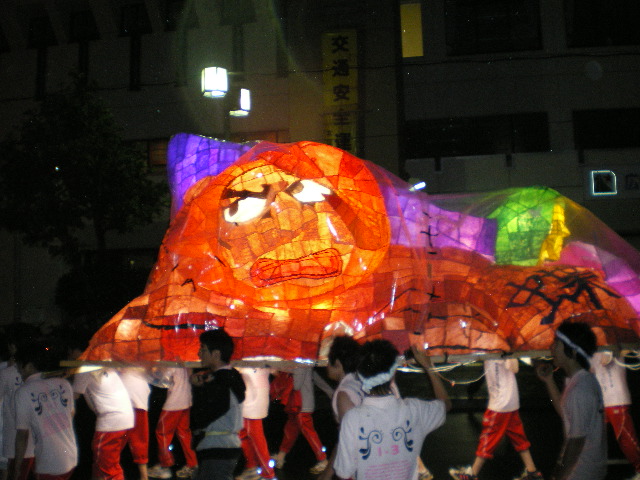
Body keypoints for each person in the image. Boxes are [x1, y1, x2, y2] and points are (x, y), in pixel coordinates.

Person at [333, 339, 451, 480]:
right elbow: (445, 404)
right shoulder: (414, 410)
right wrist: (428, 366)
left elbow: (344, 472)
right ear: (393, 372)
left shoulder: (352, 419)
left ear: (360, 374)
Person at [449, 357, 543, 480]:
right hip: (509, 402)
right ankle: (532, 472)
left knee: (488, 437)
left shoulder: (501, 349)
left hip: (501, 404)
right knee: (519, 438)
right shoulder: (494, 349)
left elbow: (514, 367)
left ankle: (472, 474)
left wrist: (509, 355)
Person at [536, 320, 606, 480]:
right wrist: (549, 381)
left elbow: (576, 442)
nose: (551, 348)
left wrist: (559, 475)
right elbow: (566, 413)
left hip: (580, 473)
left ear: (572, 351)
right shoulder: (581, 381)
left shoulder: (580, 389)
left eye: (557, 343)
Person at [12, 342, 77, 480]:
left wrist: (17, 467)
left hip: (49, 461)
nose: (18, 370)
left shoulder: (23, 392)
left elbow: (22, 435)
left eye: (19, 366)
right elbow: (70, 414)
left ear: (29, 366)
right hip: (70, 456)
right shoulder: (63, 384)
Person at [190, 328, 246, 480]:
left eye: (203, 349)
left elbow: (203, 415)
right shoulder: (231, 377)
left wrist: (198, 389)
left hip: (217, 448)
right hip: (224, 446)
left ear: (216, 354)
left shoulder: (220, 382)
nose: (199, 354)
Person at [73, 366, 134, 480]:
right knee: (101, 463)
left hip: (111, 422)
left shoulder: (84, 368)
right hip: (126, 419)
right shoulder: (104, 365)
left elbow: (73, 395)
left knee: (107, 468)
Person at [592, 350, 640, 480]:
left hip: (615, 399)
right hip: (600, 401)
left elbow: (607, 357)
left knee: (625, 437)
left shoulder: (611, 341)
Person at [271, 367, 327, 475]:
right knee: (291, 430)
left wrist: (282, 374)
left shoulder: (299, 365)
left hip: (301, 405)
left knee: (308, 432)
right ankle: (281, 456)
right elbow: (317, 379)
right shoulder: (306, 363)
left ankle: (323, 459)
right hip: (298, 404)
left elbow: (297, 385)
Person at [149, 367, 198, 479]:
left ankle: (165, 465)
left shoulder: (172, 362)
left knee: (162, 433)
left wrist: (152, 370)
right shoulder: (186, 362)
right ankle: (193, 463)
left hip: (174, 402)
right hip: (186, 400)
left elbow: (163, 377)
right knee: (184, 433)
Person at [0, 341, 34, 480]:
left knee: (13, 471)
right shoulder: (6, 371)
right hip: (28, 437)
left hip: (14, 436)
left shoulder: (6, 373)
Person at [236, 367, 276, 480]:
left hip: (253, 402)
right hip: (250, 400)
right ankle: (252, 468)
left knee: (256, 439)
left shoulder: (261, 358)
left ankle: (268, 474)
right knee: (244, 436)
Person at [119, 368, 152, 480]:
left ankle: (144, 476)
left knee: (116, 441)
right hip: (130, 396)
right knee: (116, 442)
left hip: (129, 397)